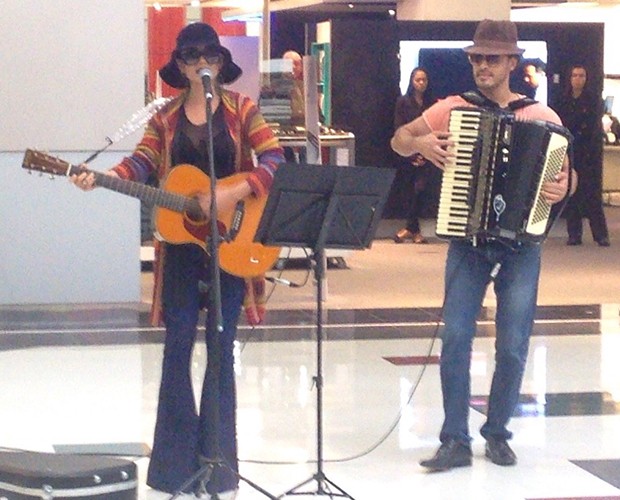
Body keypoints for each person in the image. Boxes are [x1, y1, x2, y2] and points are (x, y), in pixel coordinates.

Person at [71, 22, 284, 498]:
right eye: (190, 57)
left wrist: (234, 187)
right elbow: (141, 163)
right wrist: (103, 176)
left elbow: (275, 159)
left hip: (231, 247)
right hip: (182, 255)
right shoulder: (165, 118)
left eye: (208, 55)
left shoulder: (242, 110)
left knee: (221, 351)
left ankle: (220, 469)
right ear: (180, 66)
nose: (200, 63)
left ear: (219, 62)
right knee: (176, 349)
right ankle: (174, 469)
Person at [391, 19, 575, 471]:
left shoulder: (541, 117)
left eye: (492, 58)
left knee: (512, 345)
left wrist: (563, 187)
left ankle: (497, 433)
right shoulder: (452, 108)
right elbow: (398, 140)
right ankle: (455, 439)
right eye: (476, 58)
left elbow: (567, 176)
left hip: (521, 245)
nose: (482, 66)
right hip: (468, 241)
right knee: (455, 337)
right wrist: (423, 143)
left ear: (512, 62)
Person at [555, 64, 610, 246]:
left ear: (586, 79)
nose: (578, 79)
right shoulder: (564, 100)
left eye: (581, 76)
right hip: (570, 153)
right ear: (570, 79)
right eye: (575, 75)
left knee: (592, 195)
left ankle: (600, 235)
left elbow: (594, 128)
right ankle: (574, 234)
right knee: (572, 194)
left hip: (588, 153)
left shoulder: (593, 100)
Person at [393, 67, 441, 244]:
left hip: (428, 154)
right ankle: (413, 229)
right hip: (407, 154)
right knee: (409, 190)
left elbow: (436, 127)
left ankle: (412, 228)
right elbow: (399, 128)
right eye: (418, 80)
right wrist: (412, 153)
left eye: (424, 80)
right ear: (412, 82)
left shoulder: (432, 103)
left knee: (421, 190)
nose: (421, 83)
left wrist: (425, 153)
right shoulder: (403, 102)